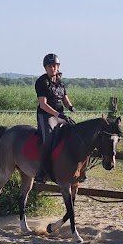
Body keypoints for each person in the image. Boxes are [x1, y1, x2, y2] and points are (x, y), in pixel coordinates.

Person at [35, 53, 81, 183]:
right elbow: (43, 105)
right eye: (50, 66)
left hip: (59, 115)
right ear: (45, 68)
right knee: (48, 140)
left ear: (58, 67)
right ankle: (41, 171)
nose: (52, 68)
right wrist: (58, 114)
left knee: (74, 134)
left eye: (54, 66)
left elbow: (65, 99)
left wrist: (70, 107)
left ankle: (77, 168)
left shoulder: (60, 82)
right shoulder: (42, 82)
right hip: (46, 116)